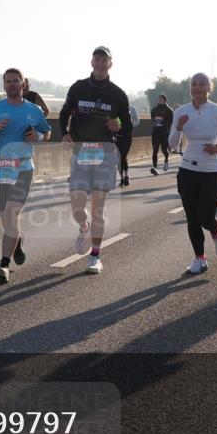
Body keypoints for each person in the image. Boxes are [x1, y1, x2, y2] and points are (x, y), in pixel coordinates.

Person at [0, 68, 52, 283]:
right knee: (7, 219)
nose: (11, 85)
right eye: (8, 81)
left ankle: (3, 265)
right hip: (1, 168)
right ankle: (17, 240)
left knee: (11, 214)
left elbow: (47, 132)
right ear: (3, 84)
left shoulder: (34, 110)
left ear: (23, 84)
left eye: (16, 81)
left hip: (24, 167)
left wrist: (39, 136)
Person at [59, 46, 132, 274]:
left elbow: (126, 126)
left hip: (104, 155)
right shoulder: (78, 87)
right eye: (97, 59)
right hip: (81, 153)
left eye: (105, 60)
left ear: (110, 64)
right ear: (92, 62)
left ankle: (95, 256)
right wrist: (65, 133)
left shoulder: (118, 94)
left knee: (98, 208)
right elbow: (63, 114)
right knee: (77, 205)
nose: (100, 63)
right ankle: (84, 227)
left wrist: (118, 127)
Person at [168, 73, 217, 275]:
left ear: (209, 88)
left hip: (211, 171)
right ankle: (200, 258)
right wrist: (179, 128)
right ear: (190, 88)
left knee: (205, 216)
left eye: (202, 84)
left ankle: (216, 234)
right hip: (187, 170)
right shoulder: (181, 111)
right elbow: (172, 145)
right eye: (194, 84)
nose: (197, 87)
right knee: (192, 218)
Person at [116, 103, 139, 187]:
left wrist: (131, 125)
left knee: (123, 156)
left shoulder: (131, 108)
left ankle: (126, 175)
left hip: (127, 137)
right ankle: (122, 178)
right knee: (119, 158)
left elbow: (137, 121)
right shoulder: (114, 108)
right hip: (117, 137)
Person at [149, 94, 173, 174]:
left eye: (161, 99)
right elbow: (152, 119)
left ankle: (166, 161)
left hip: (164, 133)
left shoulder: (169, 110)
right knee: (155, 150)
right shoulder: (154, 110)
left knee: (164, 150)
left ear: (165, 100)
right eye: (158, 99)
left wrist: (163, 122)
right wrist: (157, 121)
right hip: (155, 132)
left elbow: (170, 122)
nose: (159, 100)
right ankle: (155, 168)